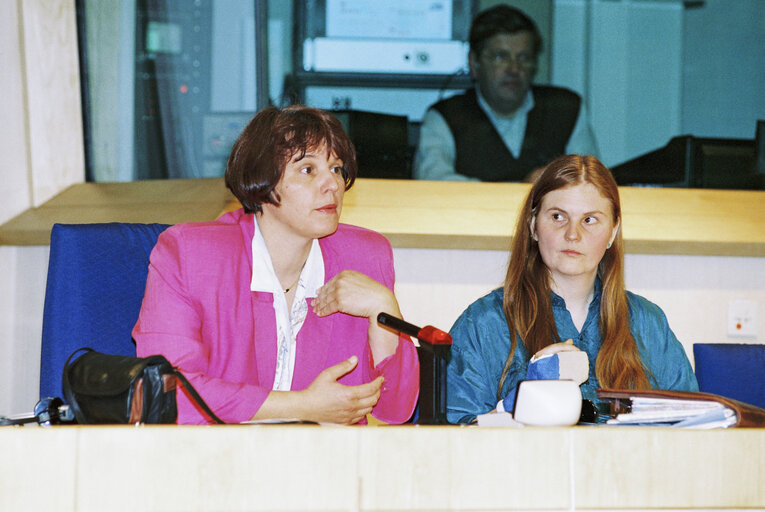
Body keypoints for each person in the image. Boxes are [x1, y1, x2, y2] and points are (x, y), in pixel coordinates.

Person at [133, 105, 419, 425]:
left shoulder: (364, 257)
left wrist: (385, 306)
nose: (332, 185)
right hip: (213, 462)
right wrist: (302, 406)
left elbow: (396, 409)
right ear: (263, 180)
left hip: (324, 464)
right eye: (308, 170)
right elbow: (168, 392)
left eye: (336, 169)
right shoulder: (191, 256)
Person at [446, 155, 698, 424]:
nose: (573, 235)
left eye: (589, 220)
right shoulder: (483, 323)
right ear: (533, 226)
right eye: (557, 217)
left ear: (613, 231)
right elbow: (453, 441)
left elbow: (694, 426)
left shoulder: (648, 323)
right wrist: (521, 398)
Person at [413, 5, 599, 182]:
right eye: (500, 56)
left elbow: (591, 183)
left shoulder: (566, 108)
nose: (514, 68)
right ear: (474, 63)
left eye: (524, 57)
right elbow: (433, 183)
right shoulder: (444, 117)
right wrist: (521, 192)